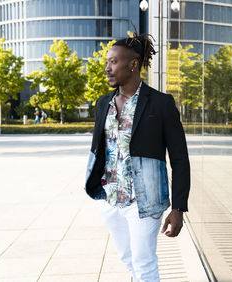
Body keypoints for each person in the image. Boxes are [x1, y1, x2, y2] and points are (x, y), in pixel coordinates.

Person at [85, 32, 190, 282]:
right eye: (107, 61)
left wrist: (178, 208)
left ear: (133, 64)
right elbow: (99, 149)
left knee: (144, 263)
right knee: (128, 258)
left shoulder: (161, 104)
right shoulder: (103, 103)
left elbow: (179, 158)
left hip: (144, 201)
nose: (107, 67)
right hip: (109, 199)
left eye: (113, 61)